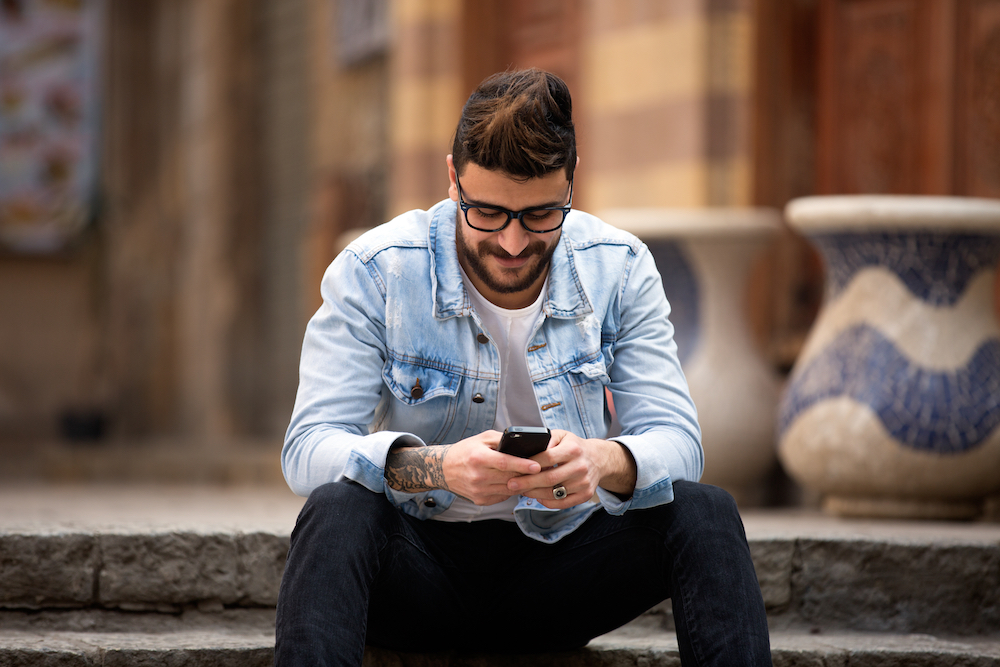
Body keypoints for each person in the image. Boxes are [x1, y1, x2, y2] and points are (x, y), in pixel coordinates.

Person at [274, 68, 771, 666]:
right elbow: (307, 450)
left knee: (705, 509)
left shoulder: (619, 267)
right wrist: (437, 467)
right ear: (452, 179)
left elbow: (679, 442)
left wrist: (600, 461)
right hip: (416, 574)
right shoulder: (377, 270)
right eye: (486, 213)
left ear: (570, 185)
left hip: (561, 575)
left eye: (539, 215)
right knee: (336, 506)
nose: (512, 244)